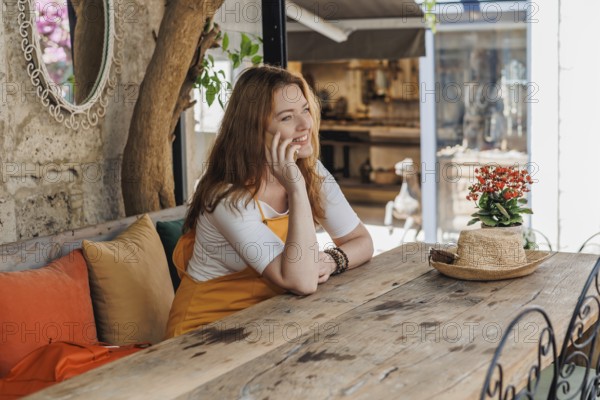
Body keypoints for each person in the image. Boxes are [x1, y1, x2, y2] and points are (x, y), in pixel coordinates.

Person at [165, 65, 374, 338]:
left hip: (266, 323)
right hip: (203, 336)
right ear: (254, 130)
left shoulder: (311, 171)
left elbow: (363, 241)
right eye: (287, 117)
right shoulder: (227, 197)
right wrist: (296, 188)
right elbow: (302, 281)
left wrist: (334, 261)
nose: (305, 125)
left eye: (305, 109)